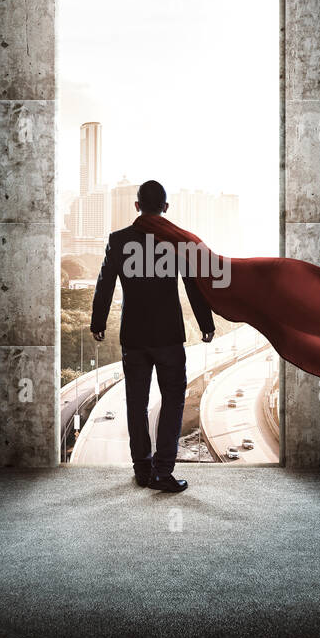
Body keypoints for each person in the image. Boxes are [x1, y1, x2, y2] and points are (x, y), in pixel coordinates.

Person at [91, 180, 214, 493]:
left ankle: (142, 470)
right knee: (173, 402)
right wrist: (205, 323)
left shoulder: (118, 240)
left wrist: (98, 322)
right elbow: (192, 285)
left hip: (134, 336)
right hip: (169, 336)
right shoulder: (176, 241)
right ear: (166, 207)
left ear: (136, 206)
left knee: (136, 403)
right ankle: (162, 472)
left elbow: (105, 284)